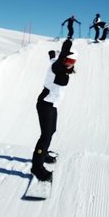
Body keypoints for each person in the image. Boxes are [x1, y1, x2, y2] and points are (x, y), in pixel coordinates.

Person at [32, 39, 77, 181]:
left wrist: (52, 54)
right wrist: (63, 54)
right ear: (63, 59)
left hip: (53, 105)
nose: (70, 64)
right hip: (45, 104)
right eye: (68, 61)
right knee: (45, 136)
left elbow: (53, 59)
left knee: (52, 131)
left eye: (73, 62)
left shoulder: (59, 65)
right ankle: (37, 167)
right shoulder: (57, 67)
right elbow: (56, 64)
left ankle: (43, 154)